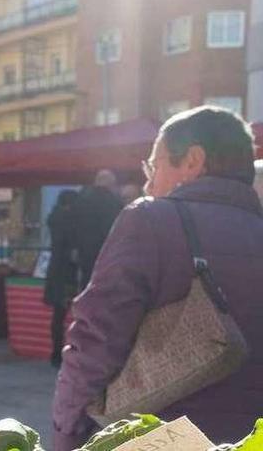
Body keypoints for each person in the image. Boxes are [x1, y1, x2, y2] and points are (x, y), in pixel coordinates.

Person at [52, 107, 263, 449]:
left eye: (155, 165)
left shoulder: (151, 220)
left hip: (164, 440)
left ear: (193, 160)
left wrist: (67, 435)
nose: (148, 182)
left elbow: (94, 342)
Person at [43, 189, 79, 368]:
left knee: (58, 316)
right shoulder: (69, 221)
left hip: (55, 272)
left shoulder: (53, 218)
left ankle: (55, 353)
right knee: (74, 314)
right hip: (68, 273)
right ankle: (67, 352)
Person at [72, 169, 123, 290]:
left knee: (86, 284)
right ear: (111, 184)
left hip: (84, 252)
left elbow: (74, 227)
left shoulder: (81, 200)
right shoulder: (114, 203)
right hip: (106, 254)